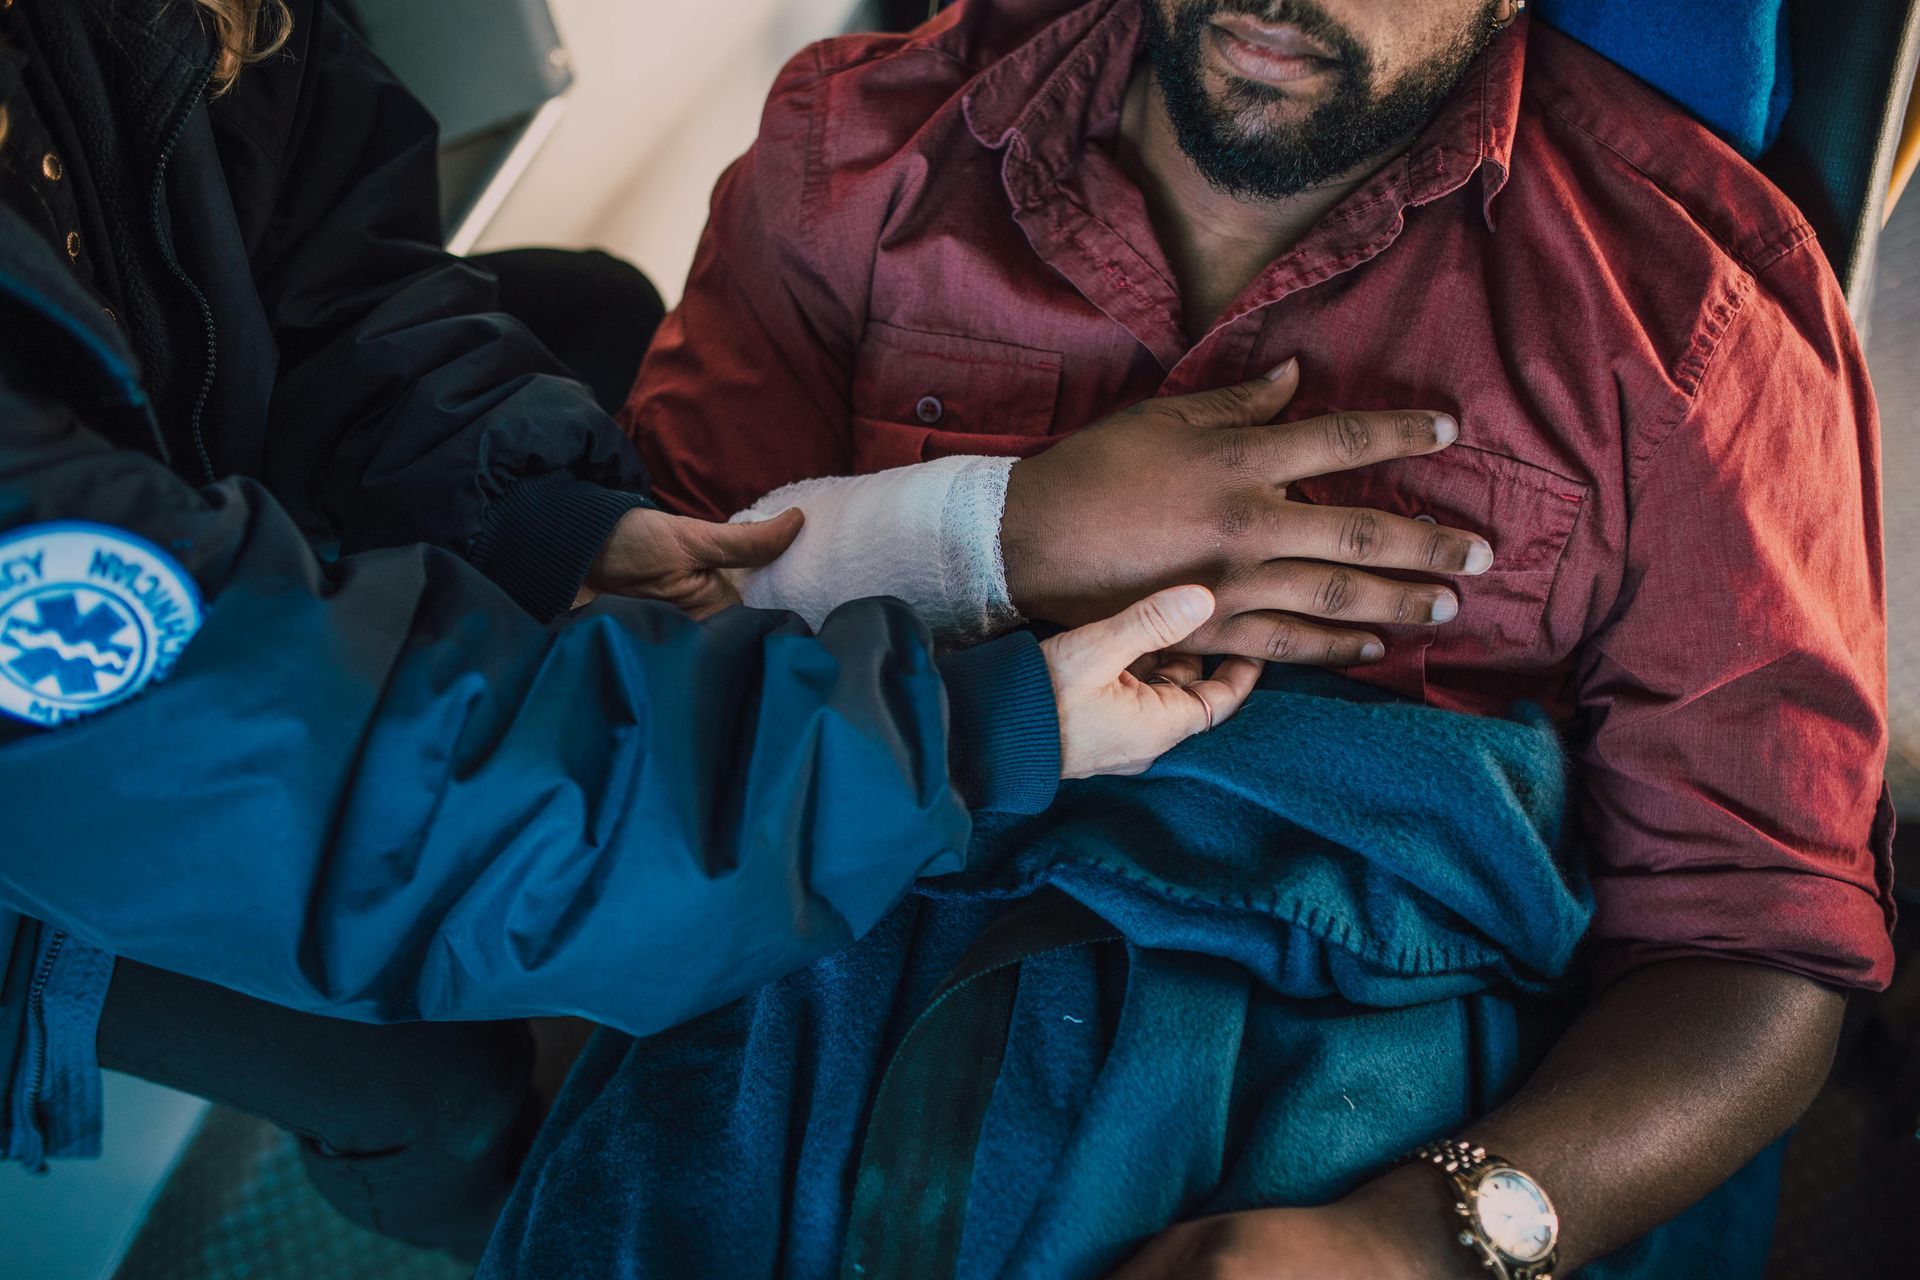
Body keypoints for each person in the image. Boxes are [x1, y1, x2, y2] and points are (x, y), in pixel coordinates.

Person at [546, 0, 1890, 1274]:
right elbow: (629, 694)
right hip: (844, 939)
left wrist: (1413, 1242)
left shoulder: (1698, 328)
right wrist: (1000, 540)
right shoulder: (851, 157)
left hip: (1344, 1069)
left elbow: (1754, 958)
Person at [0, 0, 1267, 1259]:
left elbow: (326, 264)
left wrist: (548, 520)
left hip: (164, 486)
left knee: (591, 311)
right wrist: (964, 723)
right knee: (424, 1084)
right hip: (68, 806)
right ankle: (501, 1217)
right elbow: (312, 781)